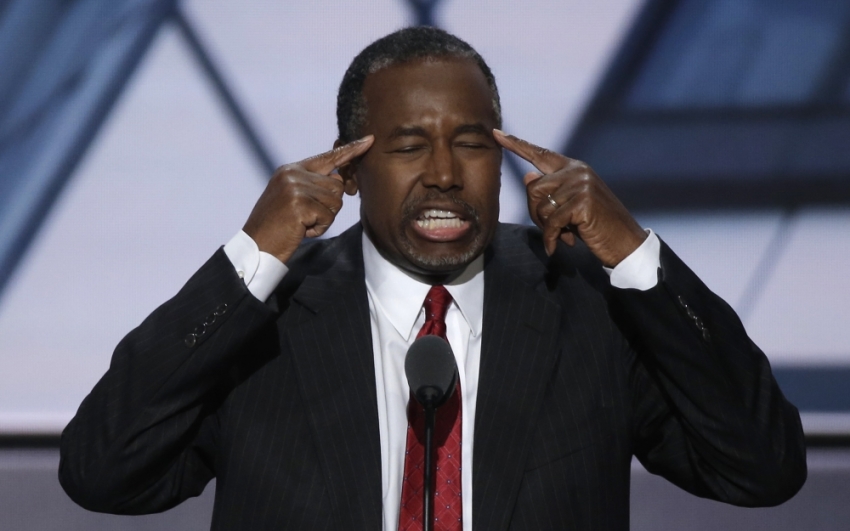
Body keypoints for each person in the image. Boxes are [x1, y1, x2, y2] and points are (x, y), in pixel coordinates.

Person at [59, 26, 806, 530]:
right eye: (410, 145)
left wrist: (637, 257)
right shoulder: (267, 321)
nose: (446, 174)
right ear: (348, 168)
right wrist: (253, 257)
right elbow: (102, 471)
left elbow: (763, 469)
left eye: (473, 145)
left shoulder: (584, 307)